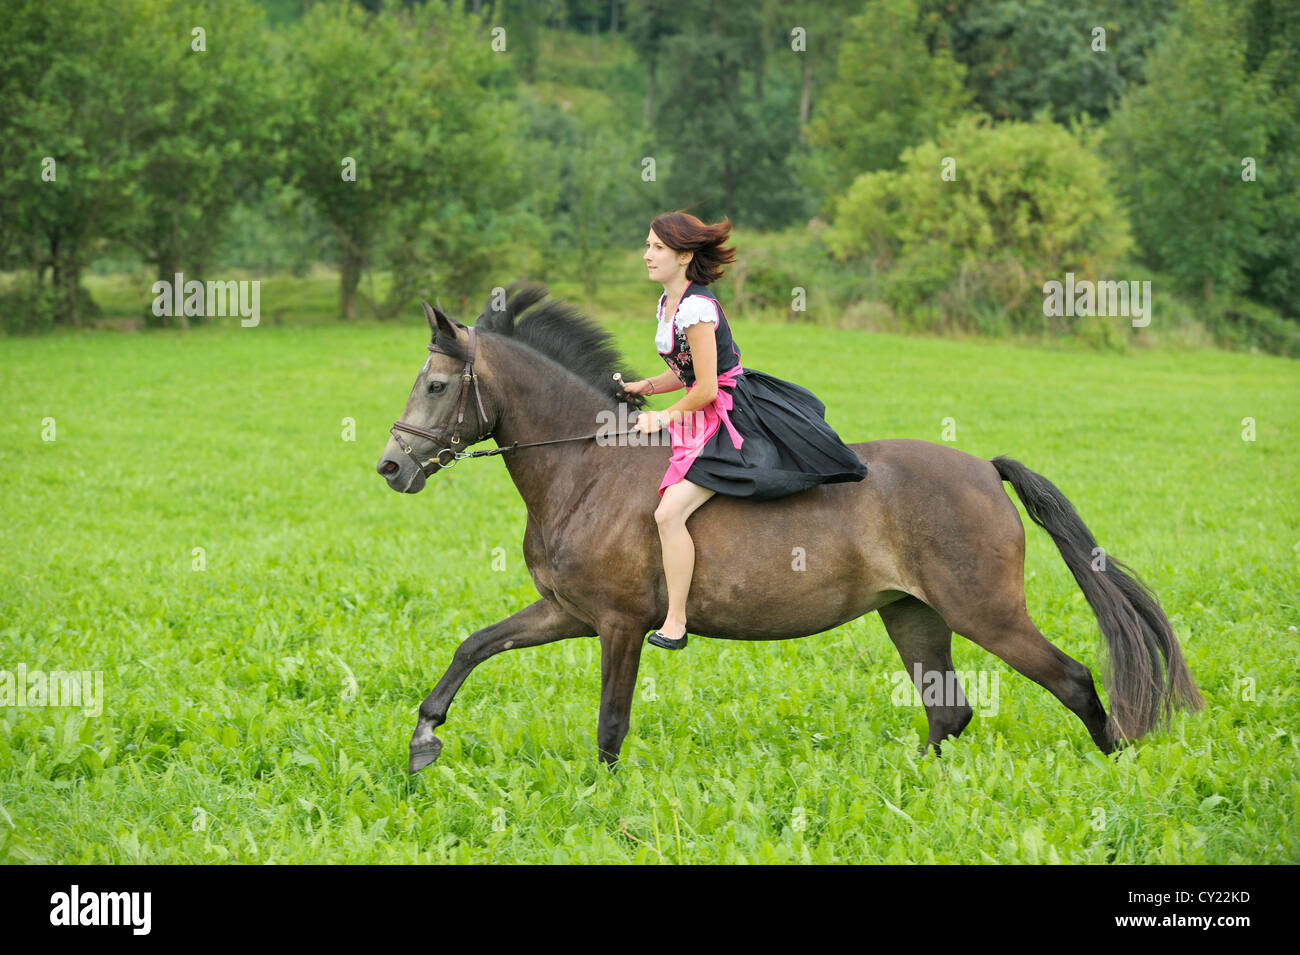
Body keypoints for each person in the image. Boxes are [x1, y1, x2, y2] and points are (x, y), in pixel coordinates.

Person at [623, 211, 868, 650]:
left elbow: (707, 386)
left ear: (683, 256)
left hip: (728, 413)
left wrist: (662, 416)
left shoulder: (697, 309)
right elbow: (688, 373)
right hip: (703, 402)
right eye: (647, 245)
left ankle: (675, 620)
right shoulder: (667, 305)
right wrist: (646, 386)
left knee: (668, 513)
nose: (647, 255)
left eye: (657, 247)